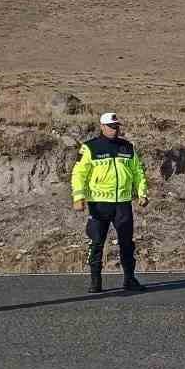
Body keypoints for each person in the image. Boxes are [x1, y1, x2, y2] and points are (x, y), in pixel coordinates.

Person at [71, 112, 149, 293]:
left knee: (127, 243)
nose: (115, 129)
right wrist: (78, 197)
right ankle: (95, 281)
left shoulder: (127, 147)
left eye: (116, 126)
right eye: (111, 126)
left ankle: (129, 279)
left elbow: (138, 171)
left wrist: (142, 193)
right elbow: (78, 174)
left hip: (122, 203)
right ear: (102, 126)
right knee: (96, 242)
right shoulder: (90, 148)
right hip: (98, 203)